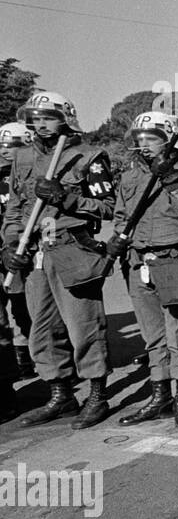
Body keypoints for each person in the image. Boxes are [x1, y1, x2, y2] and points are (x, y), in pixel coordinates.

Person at [2, 91, 116, 428]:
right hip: (35, 252)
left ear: (65, 119)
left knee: (84, 327)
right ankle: (61, 394)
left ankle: (97, 395)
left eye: (48, 117)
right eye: (35, 118)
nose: (40, 124)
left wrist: (66, 198)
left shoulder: (89, 157)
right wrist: (9, 245)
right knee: (43, 330)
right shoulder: (21, 158)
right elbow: (13, 209)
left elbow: (109, 207)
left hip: (72, 249)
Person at [104, 112, 178, 428]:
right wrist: (118, 239)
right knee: (152, 336)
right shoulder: (130, 174)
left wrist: (173, 183)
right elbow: (121, 214)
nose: (143, 144)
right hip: (139, 262)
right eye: (139, 138)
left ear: (167, 138)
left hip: (173, 258)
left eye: (150, 138)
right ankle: (159, 397)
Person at [0, 121, 36, 381]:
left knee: (25, 305)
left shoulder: (29, 174)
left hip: (23, 246)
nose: (4, 151)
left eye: (10, 145)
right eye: (1, 145)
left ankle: (28, 354)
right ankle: (15, 360)